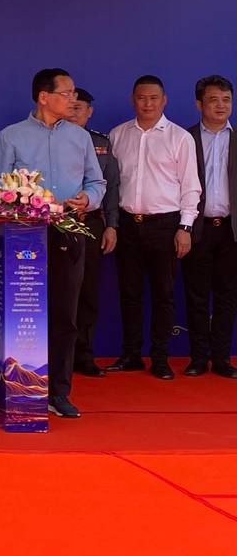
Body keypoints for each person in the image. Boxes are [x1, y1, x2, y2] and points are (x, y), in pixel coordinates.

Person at [0, 70, 106, 418]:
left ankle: (59, 392)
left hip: (69, 232)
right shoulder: (11, 136)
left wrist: (88, 198)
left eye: (74, 94)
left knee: (65, 315)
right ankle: (20, 389)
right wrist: (20, 201)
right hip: (24, 237)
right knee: (24, 315)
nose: (73, 99)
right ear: (44, 97)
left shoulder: (80, 137)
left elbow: (97, 182)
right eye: (66, 93)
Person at [108, 76, 201, 380]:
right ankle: (131, 354)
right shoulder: (118, 135)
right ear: (132, 99)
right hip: (127, 224)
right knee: (129, 293)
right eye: (141, 97)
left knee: (163, 294)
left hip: (165, 225)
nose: (147, 104)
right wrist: (112, 223)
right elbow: (111, 184)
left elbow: (191, 187)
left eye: (153, 98)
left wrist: (185, 226)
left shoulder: (179, 138)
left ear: (164, 100)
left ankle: (160, 358)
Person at [182, 76, 237, 378]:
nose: (221, 105)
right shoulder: (185, 138)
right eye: (214, 99)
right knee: (197, 295)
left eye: (226, 99)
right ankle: (198, 358)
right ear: (199, 103)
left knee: (227, 296)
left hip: (231, 230)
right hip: (197, 228)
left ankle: (222, 358)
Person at [68, 88, 120, 377]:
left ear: (89, 112)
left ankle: (84, 354)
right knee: (57, 290)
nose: (73, 112)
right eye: (70, 106)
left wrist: (112, 225)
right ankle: (55, 354)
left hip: (91, 223)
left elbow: (111, 187)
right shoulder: (52, 140)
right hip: (57, 222)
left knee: (88, 290)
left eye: (79, 108)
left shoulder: (101, 143)